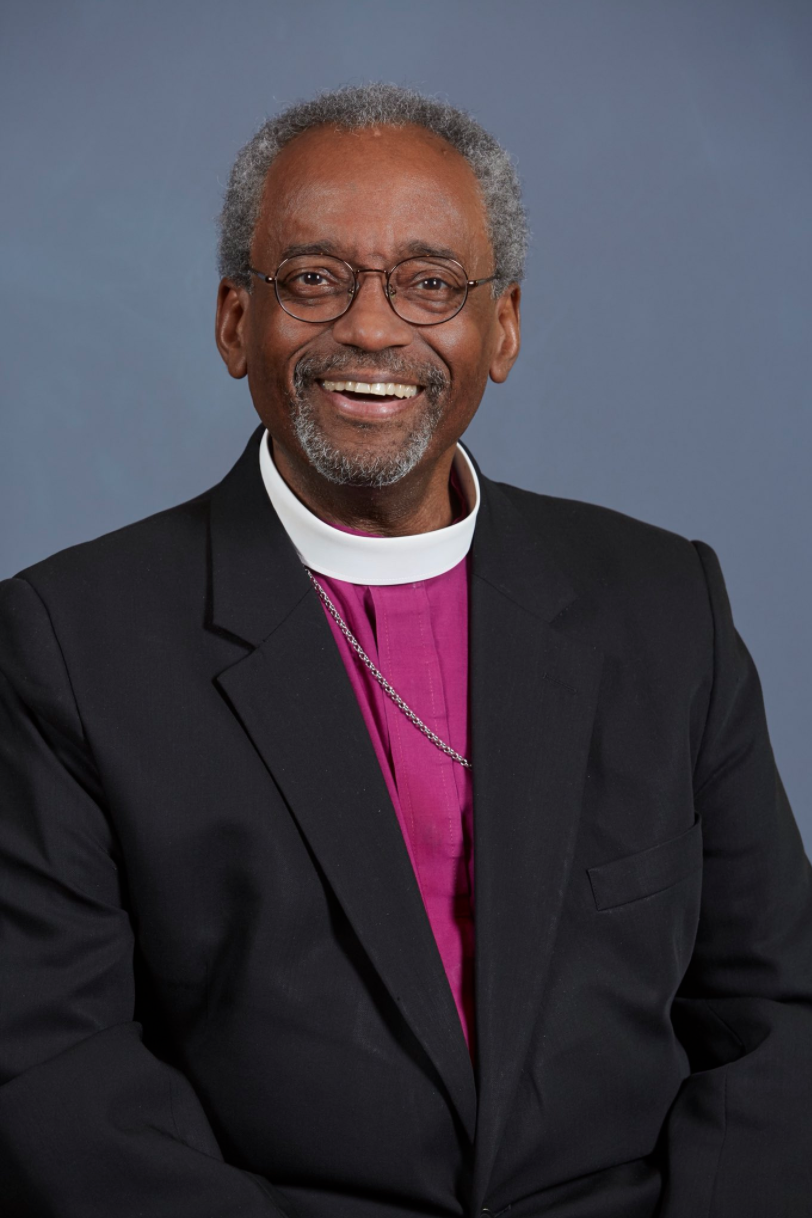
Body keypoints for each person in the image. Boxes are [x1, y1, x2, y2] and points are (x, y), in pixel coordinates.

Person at [0, 82, 810, 1218]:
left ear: (504, 327)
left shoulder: (661, 602)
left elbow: (778, 1017)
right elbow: (55, 1075)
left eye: (429, 283)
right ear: (237, 322)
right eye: (314, 279)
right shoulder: (67, 639)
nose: (372, 328)